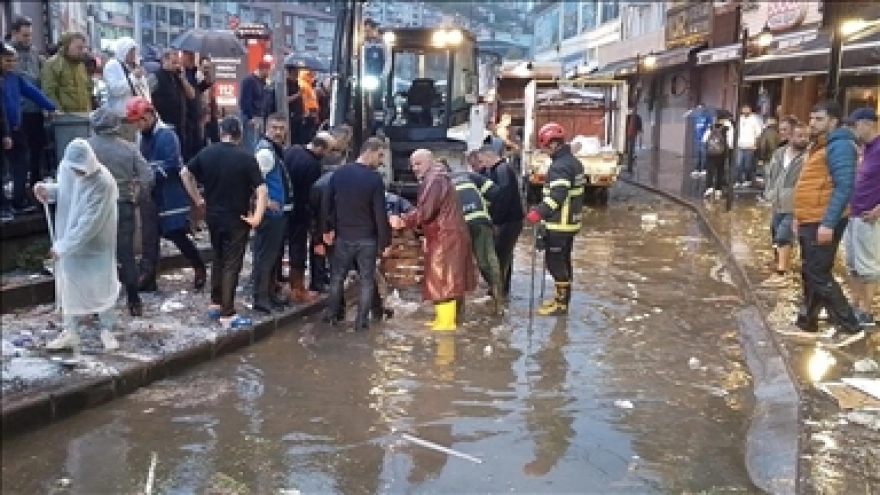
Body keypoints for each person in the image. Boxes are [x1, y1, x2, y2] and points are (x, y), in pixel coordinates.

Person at [783, 101, 864, 347]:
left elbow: (844, 187)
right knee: (810, 271)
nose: (812, 123)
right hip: (812, 218)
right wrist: (799, 217)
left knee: (818, 273)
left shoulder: (838, 146)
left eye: (819, 119)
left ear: (834, 121)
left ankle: (849, 326)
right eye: (812, 118)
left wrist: (828, 223)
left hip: (823, 219)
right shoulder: (821, 146)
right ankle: (807, 322)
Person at [33, 139, 120, 351]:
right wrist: (48, 191)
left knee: (102, 282)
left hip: (96, 241)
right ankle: (70, 330)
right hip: (69, 236)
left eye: (81, 170)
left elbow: (89, 222)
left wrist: (63, 246)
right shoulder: (68, 168)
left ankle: (107, 329)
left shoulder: (103, 182)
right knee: (69, 283)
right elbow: (66, 192)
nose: (78, 174)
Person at [181, 116, 268, 328]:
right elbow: (262, 190)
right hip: (237, 217)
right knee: (232, 264)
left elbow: (184, 173)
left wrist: (198, 200)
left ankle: (215, 303)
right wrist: (257, 217)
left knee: (218, 258)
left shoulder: (207, 153)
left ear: (221, 133)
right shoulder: (246, 158)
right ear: (239, 134)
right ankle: (228, 314)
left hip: (213, 216)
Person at [389, 149, 477, 331]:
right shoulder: (438, 178)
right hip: (445, 235)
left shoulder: (435, 179)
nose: (414, 168)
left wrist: (403, 220)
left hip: (445, 237)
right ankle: (443, 318)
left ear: (430, 161)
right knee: (443, 279)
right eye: (412, 165)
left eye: (418, 163)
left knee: (443, 279)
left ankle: (446, 323)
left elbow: (426, 211)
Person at [127, 96, 206, 292]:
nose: (139, 125)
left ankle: (198, 265)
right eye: (136, 122)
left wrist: (147, 175)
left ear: (151, 115)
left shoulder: (167, 135)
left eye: (141, 120)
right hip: (150, 193)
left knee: (176, 233)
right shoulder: (141, 137)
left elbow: (171, 164)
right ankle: (148, 277)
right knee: (150, 238)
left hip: (169, 193)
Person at [86, 107, 153, 316]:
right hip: (123, 203)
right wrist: (138, 197)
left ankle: (99, 305)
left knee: (98, 255)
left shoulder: (87, 148)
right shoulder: (129, 149)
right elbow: (148, 176)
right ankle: (134, 300)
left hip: (95, 207)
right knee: (126, 255)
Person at [321, 137, 392, 332]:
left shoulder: (339, 174)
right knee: (367, 281)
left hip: (344, 236)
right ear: (369, 152)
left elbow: (327, 204)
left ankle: (332, 316)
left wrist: (326, 230)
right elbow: (380, 213)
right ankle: (362, 322)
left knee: (337, 278)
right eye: (379, 156)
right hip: (367, 238)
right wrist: (385, 241)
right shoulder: (374, 179)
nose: (380, 161)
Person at [524, 122, 585, 316]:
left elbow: (557, 195)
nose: (544, 150)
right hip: (571, 223)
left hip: (560, 223)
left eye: (544, 146)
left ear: (552, 145)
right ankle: (562, 302)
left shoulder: (560, 166)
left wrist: (538, 212)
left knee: (555, 262)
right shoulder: (573, 162)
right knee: (564, 261)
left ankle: (560, 305)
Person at [1, 41, 58, 217]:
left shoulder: (15, 78)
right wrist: (4, 133)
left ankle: (18, 201)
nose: (11, 64)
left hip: (16, 128)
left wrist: (51, 107)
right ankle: (3, 207)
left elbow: (33, 92)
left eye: (14, 60)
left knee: (22, 164)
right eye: (7, 60)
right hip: (3, 130)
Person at [284, 131, 335, 302]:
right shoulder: (313, 165)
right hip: (300, 211)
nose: (328, 155)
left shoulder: (292, 150)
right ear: (320, 147)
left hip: (283, 207)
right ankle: (297, 289)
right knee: (298, 249)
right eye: (329, 151)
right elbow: (311, 195)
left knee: (280, 248)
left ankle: (276, 282)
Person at [251, 113, 294, 313]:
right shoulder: (266, 153)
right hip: (270, 216)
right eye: (274, 128)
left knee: (271, 257)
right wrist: (266, 202)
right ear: (267, 128)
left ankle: (268, 295)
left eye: (281, 128)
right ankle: (261, 299)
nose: (278, 132)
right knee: (265, 258)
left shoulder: (273, 150)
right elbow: (252, 179)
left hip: (277, 215)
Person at [450, 158, 503, 314]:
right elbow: (495, 191)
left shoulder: (440, 182)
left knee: (458, 266)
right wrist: (487, 209)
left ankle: (459, 309)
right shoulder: (470, 176)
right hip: (480, 221)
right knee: (487, 261)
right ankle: (499, 302)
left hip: (459, 227)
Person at [761, 122, 809, 288]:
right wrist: (768, 192)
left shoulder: (808, 157)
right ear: (790, 136)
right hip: (777, 202)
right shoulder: (779, 153)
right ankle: (779, 263)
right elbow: (771, 174)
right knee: (775, 232)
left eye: (806, 136)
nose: (803, 140)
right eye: (799, 136)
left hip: (794, 204)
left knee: (784, 235)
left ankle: (782, 271)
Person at [844, 108, 879, 328]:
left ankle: (867, 311)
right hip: (856, 213)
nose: (853, 130)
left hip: (870, 215)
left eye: (855, 125)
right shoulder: (865, 149)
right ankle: (855, 303)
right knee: (854, 264)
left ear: (867, 124)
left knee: (868, 265)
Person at [478, 145, 524, 298]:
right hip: (504, 220)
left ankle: (500, 290)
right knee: (502, 255)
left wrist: (496, 222)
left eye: (483, 160)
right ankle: (500, 287)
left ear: (489, 157)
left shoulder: (503, 170)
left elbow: (504, 198)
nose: (482, 164)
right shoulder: (494, 170)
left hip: (509, 221)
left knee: (502, 255)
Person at [10, 16, 49, 191]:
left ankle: (35, 183)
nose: (28, 39)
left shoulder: (35, 53)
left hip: (35, 109)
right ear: (15, 34)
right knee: (20, 153)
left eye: (30, 35)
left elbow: (41, 79)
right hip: (17, 110)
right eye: (24, 35)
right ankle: (19, 188)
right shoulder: (8, 54)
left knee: (37, 148)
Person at [103, 37, 150, 142]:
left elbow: (144, 90)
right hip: (122, 118)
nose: (133, 54)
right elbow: (115, 90)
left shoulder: (134, 66)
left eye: (134, 51)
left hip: (138, 117)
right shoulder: (112, 66)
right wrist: (133, 78)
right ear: (123, 50)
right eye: (130, 51)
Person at [151, 50, 195, 148]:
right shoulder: (155, 76)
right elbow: (146, 96)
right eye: (173, 63)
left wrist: (183, 79)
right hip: (164, 123)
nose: (176, 66)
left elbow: (191, 95)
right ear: (164, 61)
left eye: (177, 63)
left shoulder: (178, 76)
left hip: (180, 123)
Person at [41, 32, 92, 113]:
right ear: (67, 46)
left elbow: (87, 90)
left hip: (84, 116)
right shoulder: (53, 64)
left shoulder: (80, 65)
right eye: (79, 48)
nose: (82, 51)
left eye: (83, 48)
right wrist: (59, 113)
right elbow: (49, 92)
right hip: (65, 119)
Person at [179, 50, 213, 161]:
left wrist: (205, 72)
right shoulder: (180, 73)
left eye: (193, 56)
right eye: (190, 56)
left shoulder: (194, 72)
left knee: (198, 146)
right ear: (183, 56)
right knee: (188, 148)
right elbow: (189, 94)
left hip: (197, 115)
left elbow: (206, 85)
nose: (192, 58)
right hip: (186, 117)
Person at [239, 60, 271, 151]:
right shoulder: (249, 81)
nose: (269, 73)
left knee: (257, 144)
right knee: (250, 145)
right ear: (262, 69)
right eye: (268, 70)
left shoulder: (263, 83)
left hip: (260, 117)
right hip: (251, 118)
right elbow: (244, 101)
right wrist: (250, 117)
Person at [702, 116, 734, 200]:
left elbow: (704, 139)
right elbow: (731, 143)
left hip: (711, 154)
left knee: (710, 171)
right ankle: (718, 190)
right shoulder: (727, 129)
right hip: (722, 154)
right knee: (720, 171)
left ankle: (709, 188)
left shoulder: (711, 127)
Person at [734, 104, 763, 188]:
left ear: (750, 110)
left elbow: (758, 134)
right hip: (740, 145)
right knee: (738, 164)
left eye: (747, 109)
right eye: (744, 109)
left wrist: (755, 145)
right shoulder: (740, 118)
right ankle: (738, 180)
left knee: (748, 165)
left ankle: (747, 180)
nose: (745, 111)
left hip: (750, 145)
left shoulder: (754, 119)